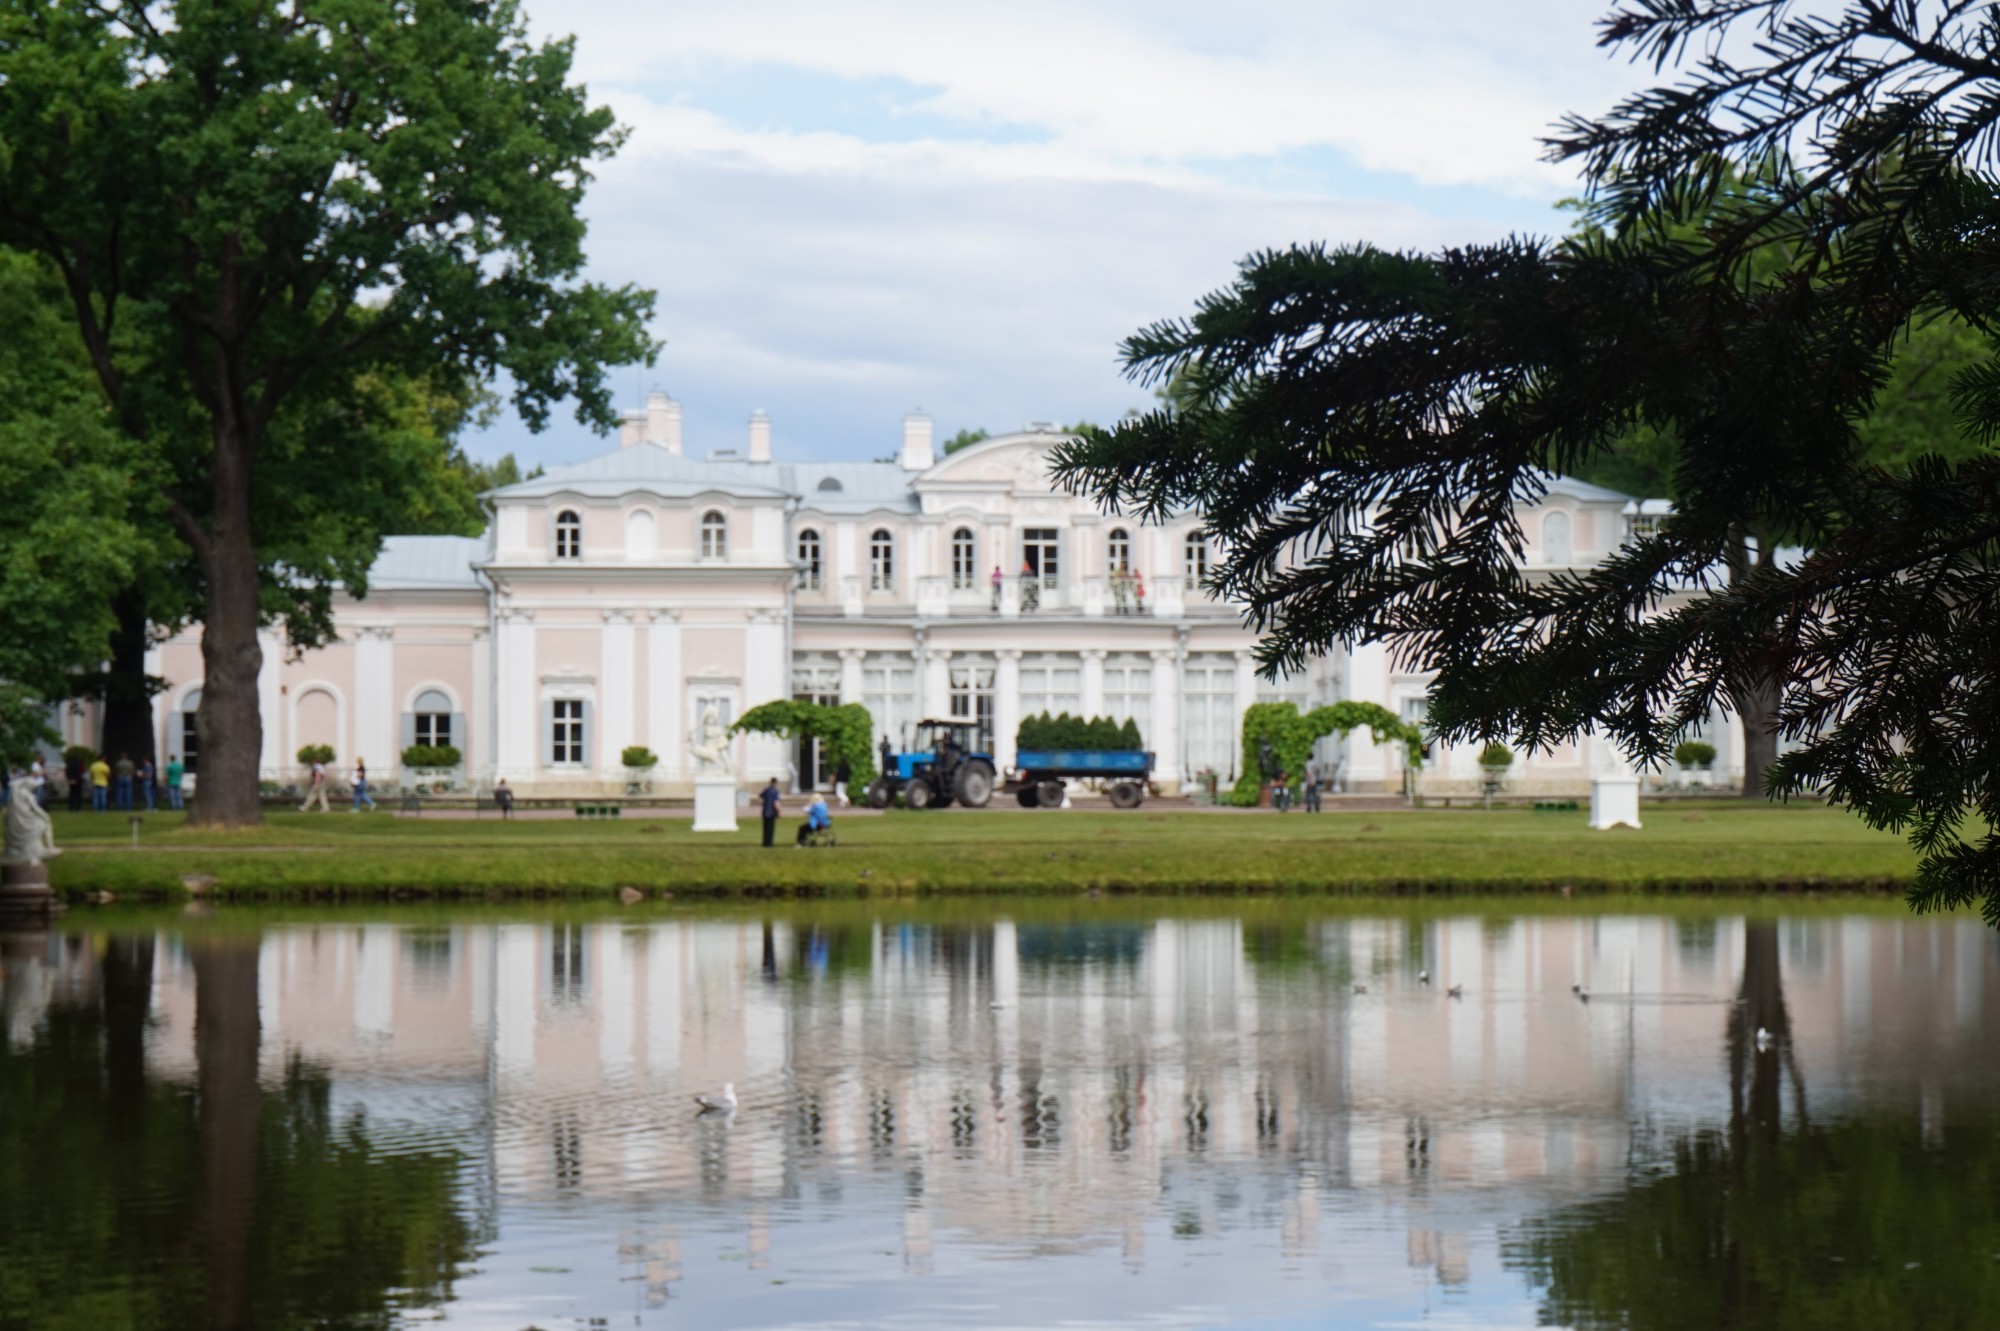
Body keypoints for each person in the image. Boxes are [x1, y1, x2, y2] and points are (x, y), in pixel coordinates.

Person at [759, 777, 782, 848]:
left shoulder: (766, 790)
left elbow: (759, 797)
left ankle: (765, 843)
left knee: (765, 828)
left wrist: (763, 804)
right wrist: (778, 811)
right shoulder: (775, 791)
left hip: (765, 812)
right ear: (776, 783)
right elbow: (776, 802)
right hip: (772, 812)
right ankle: (769, 843)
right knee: (770, 829)